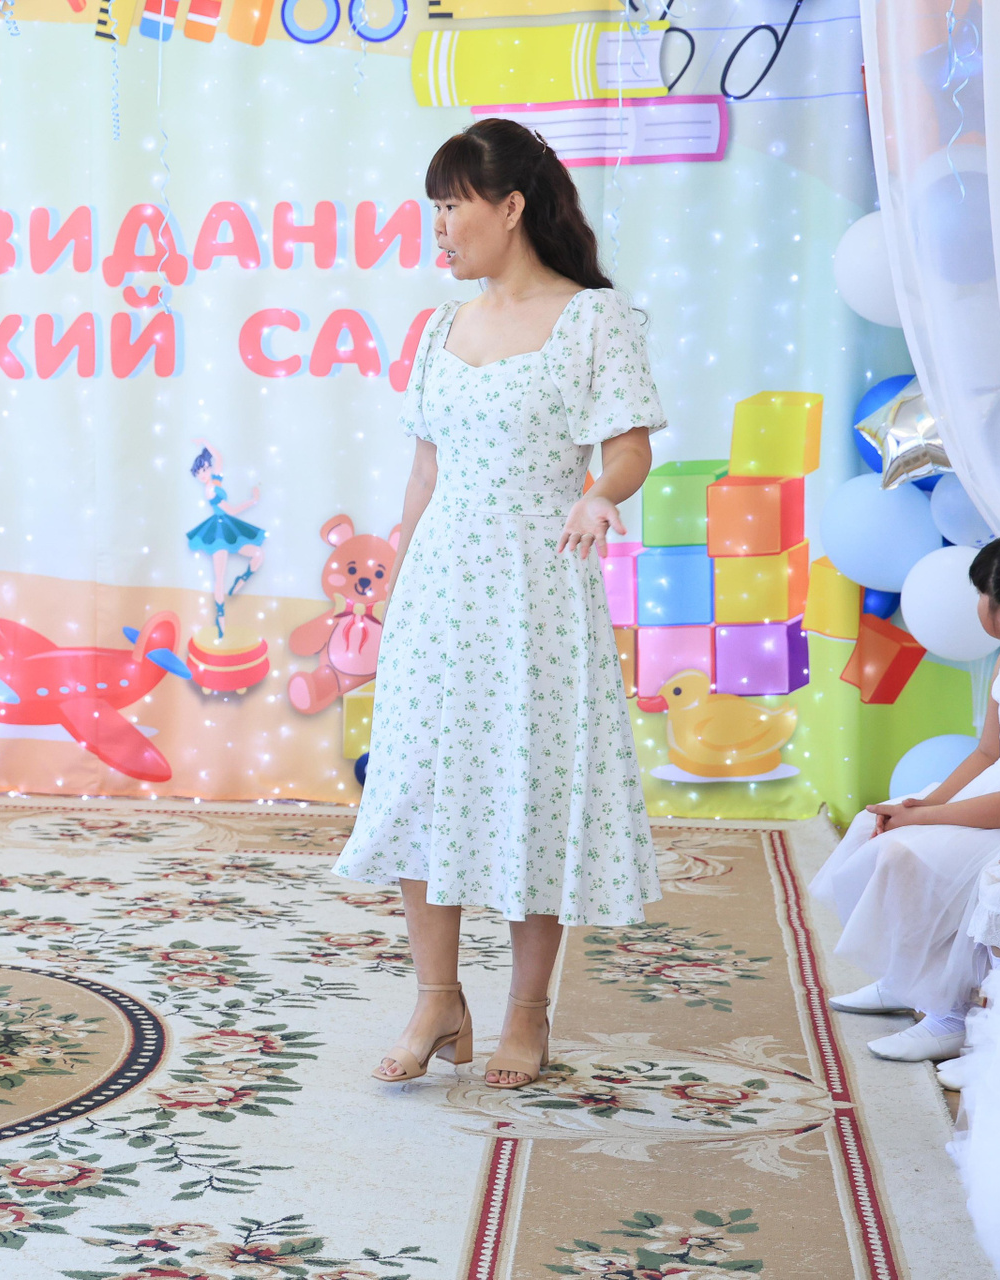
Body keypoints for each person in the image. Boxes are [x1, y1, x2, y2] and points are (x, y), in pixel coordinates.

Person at [333, 117, 663, 1090]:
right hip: (439, 586)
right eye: (434, 208)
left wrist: (599, 495)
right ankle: (437, 998)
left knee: (532, 786)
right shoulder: (442, 326)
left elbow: (630, 447)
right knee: (417, 783)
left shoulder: (596, 319)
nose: (439, 227)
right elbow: (423, 473)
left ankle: (527, 1013)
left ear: (511, 206)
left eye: (453, 206)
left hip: (536, 588)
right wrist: (396, 591)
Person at [812, 536, 1000, 1063]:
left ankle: (950, 1012)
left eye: (981, 595)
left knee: (904, 853)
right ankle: (907, 977)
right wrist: (920, 807)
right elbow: (988, 752)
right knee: (876, 828)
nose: (976, 603)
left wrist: (924, 819)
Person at [186, 439, 265, 638]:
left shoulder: (215, 481)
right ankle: (220, 615)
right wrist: (253, 501)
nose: (203, 474)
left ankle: (242, 579)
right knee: (219, 577)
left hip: (227, 527)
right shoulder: (210, 490)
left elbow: (219, 458)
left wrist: (205, 442)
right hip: (218, 531)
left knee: (258, 554)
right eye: (199, 472)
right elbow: (232, 510)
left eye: (205, 469)